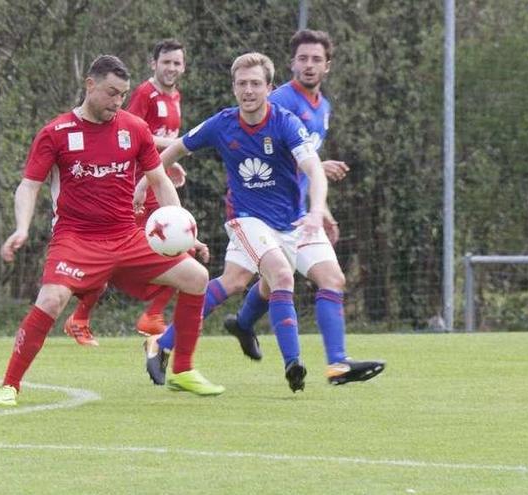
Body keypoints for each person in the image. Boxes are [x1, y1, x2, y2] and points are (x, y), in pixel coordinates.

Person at [141, 50, 385, 392]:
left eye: (256, 83)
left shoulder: (285, 121)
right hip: (247, 220)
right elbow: (177, 148)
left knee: (319, 279)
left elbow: (313, 168)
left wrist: (317, 211)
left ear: (270, 87)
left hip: (293, 220)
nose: (248, 90)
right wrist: (145, 183)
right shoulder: (222, 123)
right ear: (234, 87)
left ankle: (337, 362)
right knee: (281, 275)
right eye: (242, 84)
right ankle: (293, 364)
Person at [0, 55, 224, 406]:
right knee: (52, 299)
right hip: (75, 238)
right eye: (111, 93)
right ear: (90, 85)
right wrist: (21, 228)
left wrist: (182, 228)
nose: (118, 102)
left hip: (127, 236)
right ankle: (10, 384)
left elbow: (159, 181)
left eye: (123, 95)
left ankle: (184, 370)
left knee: (197, 277)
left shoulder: (133, 128)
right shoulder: (57, 133)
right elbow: (28, 186)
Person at [62, 39, 189, 346]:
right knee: (112, 257)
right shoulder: (144, 94)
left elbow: (150, 146)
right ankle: (82, 317)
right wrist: (178, 147)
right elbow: (130, 134)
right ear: (153, 64)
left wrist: (167, 163)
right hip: (132, 188)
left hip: (154, 184)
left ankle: (150, 314)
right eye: (166, 62)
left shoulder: (175, 97)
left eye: (177, 63)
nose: (171, 68)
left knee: (180, 247)